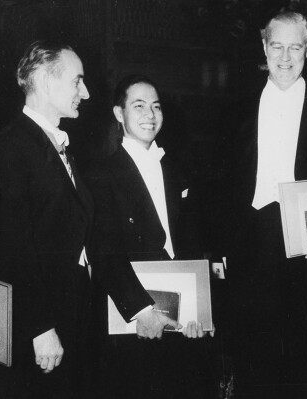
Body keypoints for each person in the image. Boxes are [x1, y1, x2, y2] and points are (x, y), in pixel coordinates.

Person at [204, 10, 307, 397]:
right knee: (255, 365)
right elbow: (214, 185)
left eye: (296, 47)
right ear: (263, 47)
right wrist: (215, 249)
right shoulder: (234, 107)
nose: (285, 57)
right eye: (277, 46)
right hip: (250, 251)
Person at [88, 74, 214, 399]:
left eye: (156, 106)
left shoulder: (177, 169)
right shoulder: (101, 174)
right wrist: (142, 310)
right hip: (135, 318)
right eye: (139, 105)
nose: (150, 114)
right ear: (119, 114)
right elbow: (104, 252)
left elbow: (192, 243)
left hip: (182, 318)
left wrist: (198, 311)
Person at [0, 40, 93, 399]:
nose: (86, 92)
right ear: (47, 83)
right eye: (77, 81)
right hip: (44, 325)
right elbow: (11, 248)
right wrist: (40, 326)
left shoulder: (54, 143)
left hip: (70, 313)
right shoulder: (11, 147)